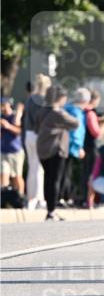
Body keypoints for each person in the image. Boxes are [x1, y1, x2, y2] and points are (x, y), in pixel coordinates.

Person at [35, 84, 79, 220]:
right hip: (56, 149)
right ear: (59, 98)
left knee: (48, 179)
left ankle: (50, 210)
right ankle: (51, 211)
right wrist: (63, 126)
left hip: (42, 149)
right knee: (55, 180)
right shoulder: (57, 112)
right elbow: (75, 123)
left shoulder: (42, 110)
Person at [22, 75, 49, 209]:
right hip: (38, 134)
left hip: (28, 134)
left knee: (32, 167)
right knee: (38, 168)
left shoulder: (30, 98)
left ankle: (31, 197)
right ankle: (38, 199)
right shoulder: (41, 99)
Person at [1, 96, 25, 200]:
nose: (2, 107)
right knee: (3, 175)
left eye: (4, 105)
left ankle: (20, 198)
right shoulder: (1, 117)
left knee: (17, 177)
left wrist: (8, 126)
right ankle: (4, 198)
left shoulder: (15, 117)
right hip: (3, 151)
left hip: (16, 151)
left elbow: (19, 131)